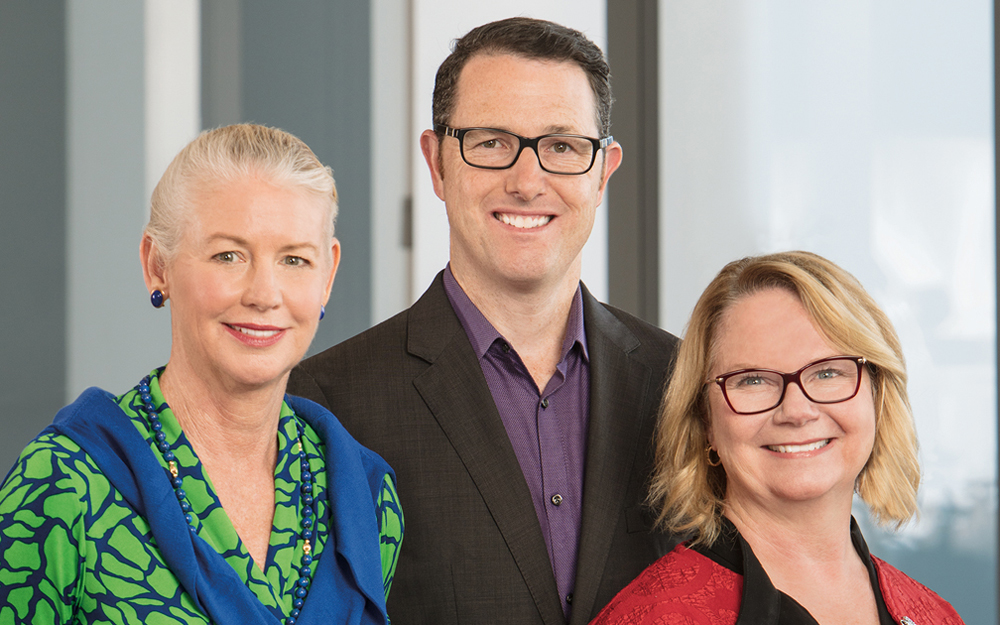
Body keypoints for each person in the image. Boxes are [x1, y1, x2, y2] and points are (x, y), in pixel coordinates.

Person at [287, 16, 679, 625]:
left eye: (563, 147)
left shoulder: (683, 384)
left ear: (604, 171)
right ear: (437, 162)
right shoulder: (324, 405)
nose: (528, 181)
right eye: (492, 141)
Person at [0, 124, 402, 625]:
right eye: (228, 255)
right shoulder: (62, 483)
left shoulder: (363, 495)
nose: (264, 294)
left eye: (295, 259)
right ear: (157, 266)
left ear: (328, 277)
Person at [591, 251, 964, 625]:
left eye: (828, 372)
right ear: (705, 421)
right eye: (752, 380)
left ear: (877, 397)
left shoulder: (936, 615)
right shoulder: (652, 618)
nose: (797, 411)